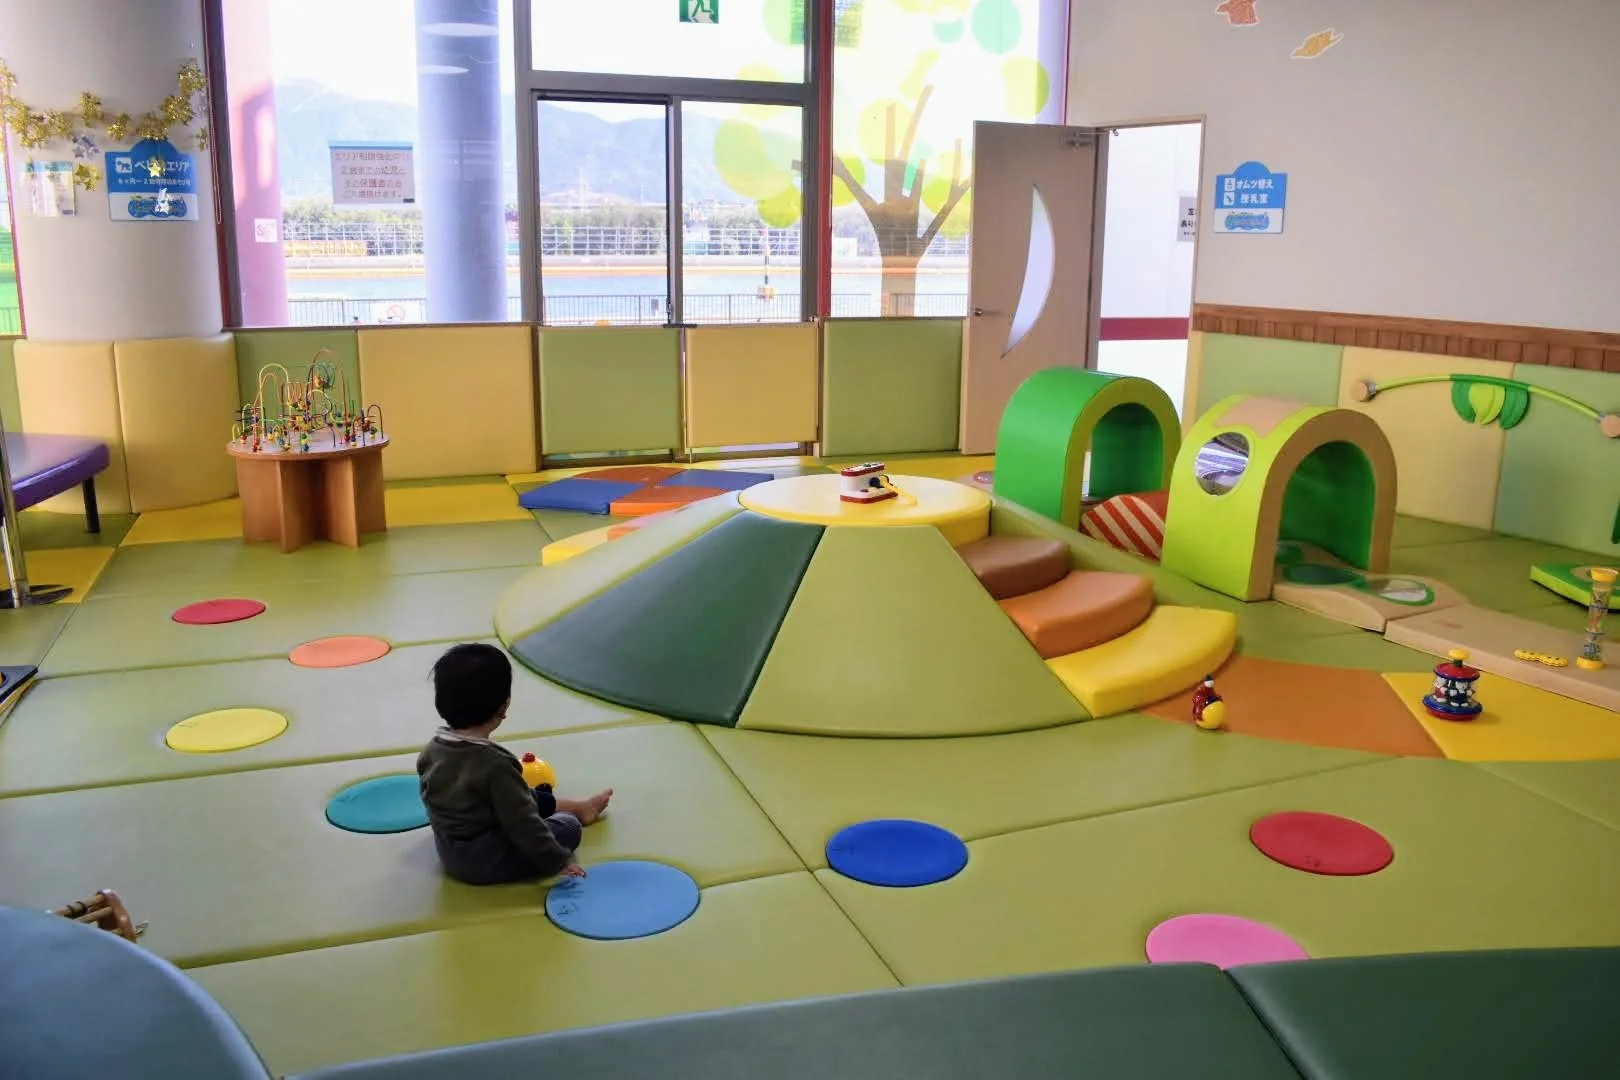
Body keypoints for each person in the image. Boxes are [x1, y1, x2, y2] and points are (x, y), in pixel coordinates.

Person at [418, 643, 612, 885]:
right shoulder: (495, 764)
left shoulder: (433, 749)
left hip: (448, 846)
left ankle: (579, 806)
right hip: (482, 861)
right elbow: (524, 825)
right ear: (504, 706)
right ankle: (575, 813)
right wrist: (558, 861)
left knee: (518, 794)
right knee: (568, 828)